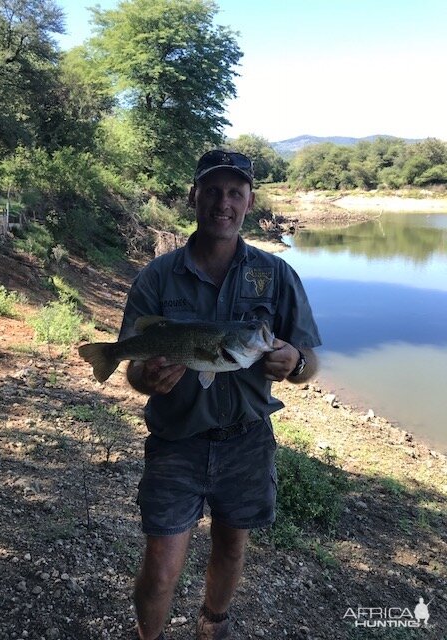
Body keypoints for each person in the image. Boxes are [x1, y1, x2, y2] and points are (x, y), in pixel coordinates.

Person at [118, 149, 322, 640]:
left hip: (247, 440)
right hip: (176, 440)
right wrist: (145, 379)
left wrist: (294, 363)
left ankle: (213, 625)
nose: (222, 203)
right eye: (212, 191)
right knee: (163, 564)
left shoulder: (276, 275)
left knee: (231, 547)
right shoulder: (157, 276)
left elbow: (311, 362)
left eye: (235, 192)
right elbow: (133, 368)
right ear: (194, 197)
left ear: (249, 202)